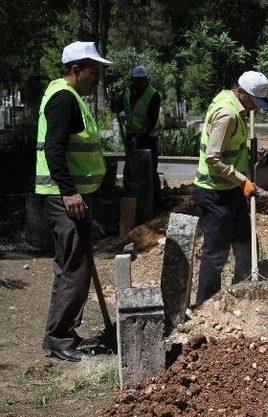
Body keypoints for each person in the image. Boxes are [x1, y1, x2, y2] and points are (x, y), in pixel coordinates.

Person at [37, 41, 111, 362]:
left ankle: (61, 331)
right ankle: (59, 338)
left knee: (69, 265)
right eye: (93, 71)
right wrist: (69, 191)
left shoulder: (72, 97)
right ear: (74, 69)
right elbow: (54, 150)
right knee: (76, 269)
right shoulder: (64, 99)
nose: (97, 77)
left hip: (70, 196)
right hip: (65, 198)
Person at [193, 71, 268, 305]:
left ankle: (244, 289)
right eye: (252, 102)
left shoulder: (235, 104)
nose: (254, 109)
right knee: (216, 253)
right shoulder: (227, 114)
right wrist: (242, 180)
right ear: (240, 91)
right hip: (214, 191)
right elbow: (212, 159)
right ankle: (205, 305)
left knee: (245, 240)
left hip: (230, 189)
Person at [112, 65, 161, 202]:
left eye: (141, 81)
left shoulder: (153, 95)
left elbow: (151, 122)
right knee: (130, 168)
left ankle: (153, 200)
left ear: (146, 81)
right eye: (135, 81)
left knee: (149, 170)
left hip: (148, 138)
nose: (138, 84)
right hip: (130, 135)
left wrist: (138, 138)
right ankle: (130, 198)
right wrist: (114, 99)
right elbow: (115, 107)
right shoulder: (127, 92)